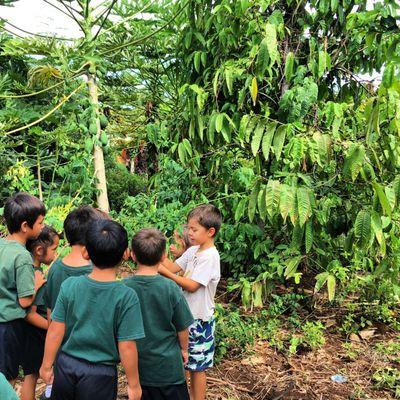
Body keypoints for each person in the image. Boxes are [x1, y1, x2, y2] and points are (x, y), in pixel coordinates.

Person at [40, 219, 145, 400]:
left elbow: (55, 329)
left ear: (85, 252)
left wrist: (47, 365)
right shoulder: (126, 296)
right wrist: (133, 384)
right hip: (100, 375)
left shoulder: (69, 285)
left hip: (65, 365)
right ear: (125, 254)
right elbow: (127, 345)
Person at [159, 204, 222, 400]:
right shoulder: (194, 250)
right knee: (185, 362)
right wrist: (157, 255)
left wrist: (165, 273)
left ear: (210, 231)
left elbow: (191, 285)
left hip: (199, 321)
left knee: (198, 367)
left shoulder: (210, 256)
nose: (189, 233)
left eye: (194, 229)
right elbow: (174, 266)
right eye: (189, 228)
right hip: (185, 318)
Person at [124, 228, 193, 400]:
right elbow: (182, 327)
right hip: (169, 370)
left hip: (138, 369)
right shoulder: (170, 288)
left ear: (133, 255)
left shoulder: (124, 287)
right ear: (163, 256)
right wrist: (184, 350)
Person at [0, 192, 46, 385]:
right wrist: (36, 284)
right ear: (25, 226)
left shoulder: (2, 245)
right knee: (8, 378)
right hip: (9, 329)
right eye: (41, 223)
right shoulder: (22, 257)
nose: (43, 227)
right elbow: (25, 300)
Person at [21, 225, 59, 400]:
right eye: (54, 249)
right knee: (31, 376)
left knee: (32, 375)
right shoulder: (35, 275)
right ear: (38, 250)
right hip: (34, 336)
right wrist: (51, 327)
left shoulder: (30, 269)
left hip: (32, 336)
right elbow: (30, 314)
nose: (55, 254)